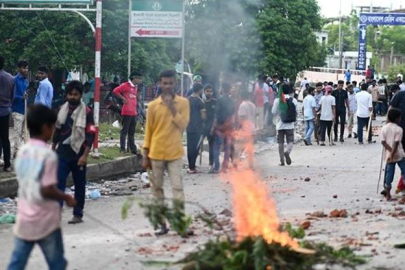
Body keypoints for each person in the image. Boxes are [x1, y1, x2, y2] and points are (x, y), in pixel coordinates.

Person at [7, 104, 76, 270]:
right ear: (46, 127)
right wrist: (66, 197)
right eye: (53, 127)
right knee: (57, 263)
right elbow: (47, 189)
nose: (53, 132)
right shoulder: (48, 156)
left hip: (25, 217)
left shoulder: (23, 151)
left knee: (17, 263)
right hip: (45, 220)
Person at [142, 70, 190, 235]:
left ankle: (180, 223)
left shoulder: (183, 103)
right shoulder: (153, 106)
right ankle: (162, 223)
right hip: (156, 153)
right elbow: (148, 131)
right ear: (160, 84)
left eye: (170, 83)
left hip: (175, 153)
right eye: (165, 83)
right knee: (157, 190)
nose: (168, 86)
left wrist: (172, 108)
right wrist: (145, 154)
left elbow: (183, 125)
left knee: (177, 188)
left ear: (175, 84)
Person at [53, 81, 95, 224]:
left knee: (79, 185)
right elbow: (57, 131)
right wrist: (52, 149)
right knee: (58, 184)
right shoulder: (61, 109)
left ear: (80, 95)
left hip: (79, 154)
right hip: (62, 154)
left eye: (75, 94)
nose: (72, 97)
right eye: (70, 94)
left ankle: (78, 214)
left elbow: (91, 134)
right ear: (66, 95)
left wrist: (85, 155)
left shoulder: (87, 112)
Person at [113, 72, 142, 155]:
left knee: (131, 132)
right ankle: (122, 148)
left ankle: (133, 149)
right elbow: (115, 91)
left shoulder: (135, 87)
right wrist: (123, 98)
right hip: (127, 111)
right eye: (139, 78)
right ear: (134, 78)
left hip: (133, 112)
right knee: (124, 130)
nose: (140, 80)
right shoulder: (125, 85)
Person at [381, 108, 405, 201]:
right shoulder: (399, 129)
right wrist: (393, 153)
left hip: (388, 155)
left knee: (389, 174)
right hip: (399, 155)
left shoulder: (384, 128)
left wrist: (390, 153)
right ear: (397, 118)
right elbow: (396, 143)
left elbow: (383, 142)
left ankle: (388, 195)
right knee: (404, 172)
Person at [211, 83, 235, 173]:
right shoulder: (232, 101)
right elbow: (233, 114)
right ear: (229, 90)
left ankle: (216, 166)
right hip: (229, 127)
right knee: (227, 147)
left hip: (220, 127)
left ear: (222, 90)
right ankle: (224, 167)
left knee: (216, 146)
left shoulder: (219, 100)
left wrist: (213, 126)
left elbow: (216, 114)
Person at [272, 84, 297, 166]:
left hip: (280, 125)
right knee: (290, 141)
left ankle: (282, 161)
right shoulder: (293, 100)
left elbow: (273, 112)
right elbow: (295, 112)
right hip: (290, 125)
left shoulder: (277, 100)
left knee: (280, 143)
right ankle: (287, 152)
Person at [186, 84, 206, 174]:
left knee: (190, 146)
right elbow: (203, 116)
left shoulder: (187, 100)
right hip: (198, 128)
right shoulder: (200, 101)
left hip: (188, 126)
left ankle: (190, 166)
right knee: (196, 147)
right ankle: (192, 167)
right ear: (200, 90)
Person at [233, 91, 255, 169]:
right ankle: (250, 165)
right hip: (252, 129)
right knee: (249, 148)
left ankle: (235, 164)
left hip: (245, 130)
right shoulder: (252, 105)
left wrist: (238, 128)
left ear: (241, 96)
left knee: (238, 147)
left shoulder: (243, 105)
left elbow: (242, 119)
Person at [11, 61, 29, 159]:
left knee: (23, 133)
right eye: (23, 68)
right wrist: (21, 97)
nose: (25, 70)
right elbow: (12, 96)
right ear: (19, 68)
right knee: (17, 133)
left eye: (26, 68)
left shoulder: (26, 81)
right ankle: (17, 153)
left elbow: (27, 95)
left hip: (25, 109)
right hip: (17, 110)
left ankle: (19, 152)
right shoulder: (14, 80)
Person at [0, 55, 14, 172]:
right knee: (5, 138)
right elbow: (12, 96)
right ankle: (7, 164)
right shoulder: (10, 78)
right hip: (5, 111)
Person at [203, 84, 217, 173]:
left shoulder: (215, 102)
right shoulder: (202, 102)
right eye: (207, 91)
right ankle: (192, 165)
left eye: (210, 91)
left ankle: (211, 164)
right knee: (195, 146)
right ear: (204, 92)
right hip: (202, 127)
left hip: (212, 127)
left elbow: (216, 115)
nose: (209, 93)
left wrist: (213, 127)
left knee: (211, 147)